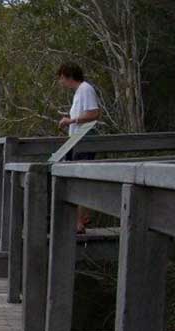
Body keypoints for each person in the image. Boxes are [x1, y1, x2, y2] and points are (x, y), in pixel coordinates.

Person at [57, 62, 101, 233]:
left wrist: (71, 120)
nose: (61, 82)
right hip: (76, 140)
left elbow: (94, 113)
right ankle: (78, 221)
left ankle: (80, 221)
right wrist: (70, 119)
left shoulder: (85, 89)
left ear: (68, 76)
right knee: (75, 179)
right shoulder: (79, 93)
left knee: (79, 180)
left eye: (61, 78)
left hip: (85, 140)